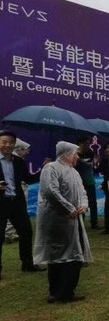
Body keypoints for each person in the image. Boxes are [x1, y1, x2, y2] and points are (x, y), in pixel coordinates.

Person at [33, 141, 92, 303]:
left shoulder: (74, 172)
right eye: (75, 154)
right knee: (57, 256)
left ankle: (66, 292)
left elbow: (82, 192)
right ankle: (57, 293)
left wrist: (83, 205)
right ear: (67, 154)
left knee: (74, 257)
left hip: (73, 222)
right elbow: (50, 192)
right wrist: (69, 208)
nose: (78, 157)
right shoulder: (51, 168)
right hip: (57, 221)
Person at [0, 130, 47, 279]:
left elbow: (28, 179)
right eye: (4, 142)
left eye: (10, 142)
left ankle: (27, 264)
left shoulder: (18, 161)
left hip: (17, 202)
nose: (7, 145)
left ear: (14, 144)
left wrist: (44, 169)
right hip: (1, 203)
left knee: (26, 232)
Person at [5, 138, 31, 243]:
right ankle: (10, 234)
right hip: (17, 189)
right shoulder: (14, 160)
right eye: (26, 149)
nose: (28, 152)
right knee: (16, 210)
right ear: (19, 149)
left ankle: (10, 233)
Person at [75, 136, 99, 229]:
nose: (88, 145)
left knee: (93, 202)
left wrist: (95, 163)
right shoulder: (74, 154)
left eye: (88, 143)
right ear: (80, 144)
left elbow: (91, 167)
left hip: (90, 180)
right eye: (86, 143)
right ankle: (81, 222)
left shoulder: (90, 153)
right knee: (81, 202)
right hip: (79, 181)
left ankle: (94, 223)